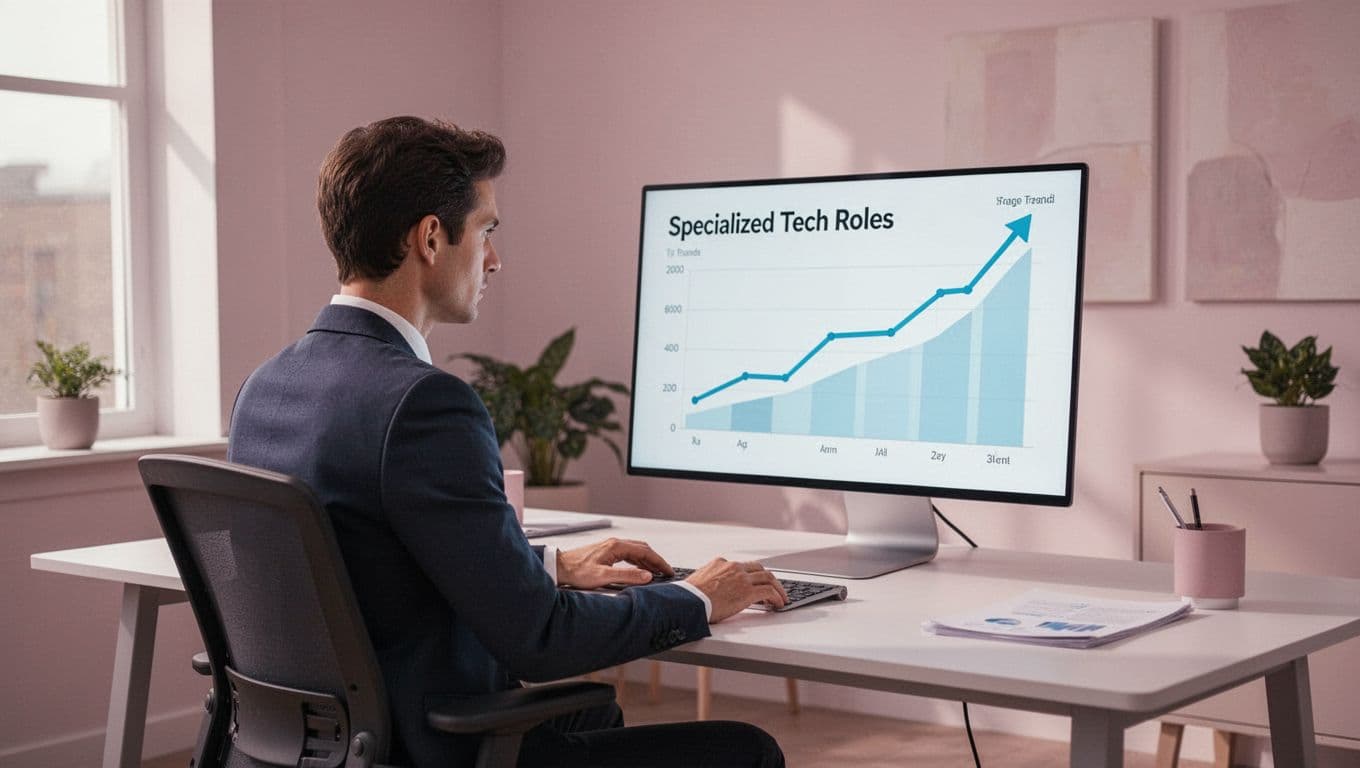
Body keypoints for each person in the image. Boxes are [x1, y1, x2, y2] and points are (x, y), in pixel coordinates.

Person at [227, 116, 788, 768]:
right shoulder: (423, 405)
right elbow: (541, 639)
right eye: (486, 230)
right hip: (420, 744)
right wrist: (697, 597)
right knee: (745, 751)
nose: (494, 257)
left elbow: (372, 558)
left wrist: (550, 566)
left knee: (592, 711)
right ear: (431, 238)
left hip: (316, 742)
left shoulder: (264, 388)